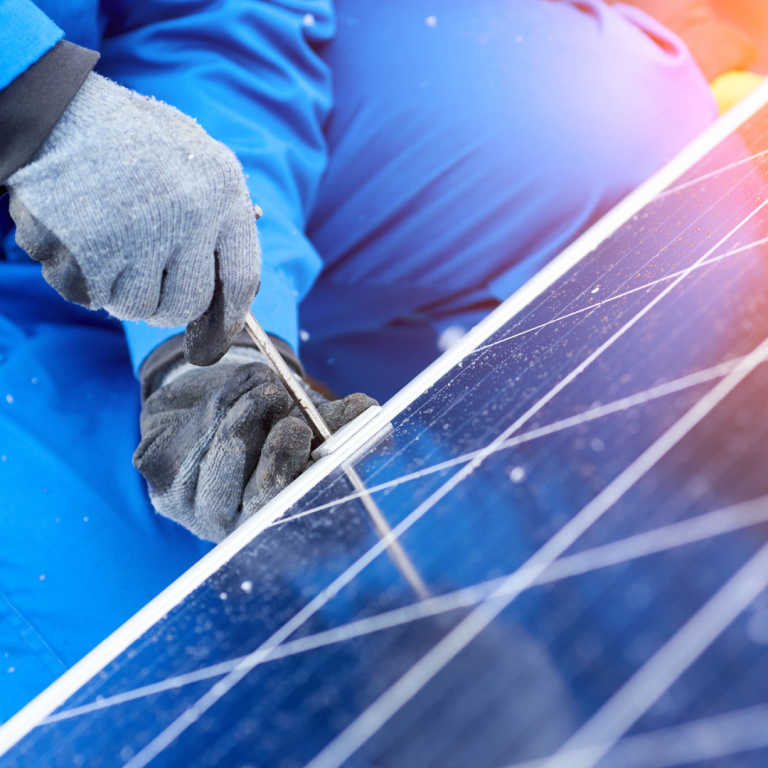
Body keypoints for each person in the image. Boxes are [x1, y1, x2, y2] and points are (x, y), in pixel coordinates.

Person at [0, 0, 717, 722]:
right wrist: (26, 91)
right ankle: (322, 695)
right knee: (114, 688)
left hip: (127, 98)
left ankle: (650, 558)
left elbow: (209, 15)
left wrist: (217, 340)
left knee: (626, 154)